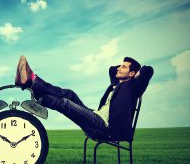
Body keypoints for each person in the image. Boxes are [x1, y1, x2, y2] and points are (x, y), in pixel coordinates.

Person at [15, 55, 154, 141]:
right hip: (95, 116)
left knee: (66, 103)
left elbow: (148, 70)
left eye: (124, 67)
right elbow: (112, 69)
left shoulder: (133, 88)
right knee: (70, 94)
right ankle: (31, 82)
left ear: (133, 74)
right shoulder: (116, 84)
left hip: (105, 128)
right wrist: (125, 69)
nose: (119, 68)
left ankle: (31, 83)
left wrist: (135, 75)